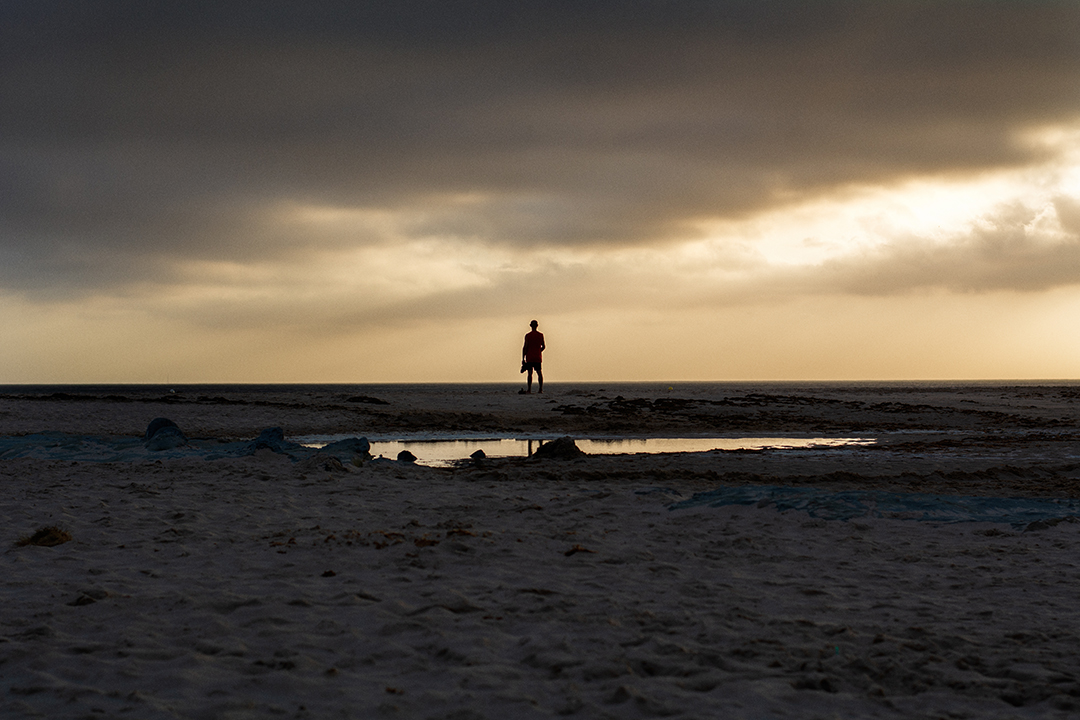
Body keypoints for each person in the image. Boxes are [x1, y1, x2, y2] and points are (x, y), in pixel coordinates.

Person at [521, 320, 545, 393]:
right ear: (537, 326)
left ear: (530, 326)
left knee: (529, 373)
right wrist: (538, 351)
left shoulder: (528, 335)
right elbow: (543, 346)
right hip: (537, 357)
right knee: (539, 373)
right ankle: (540, 389)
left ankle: (529, 389)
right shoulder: (540, 335)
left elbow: (525, 347)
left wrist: (523, 358)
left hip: (530, 357)